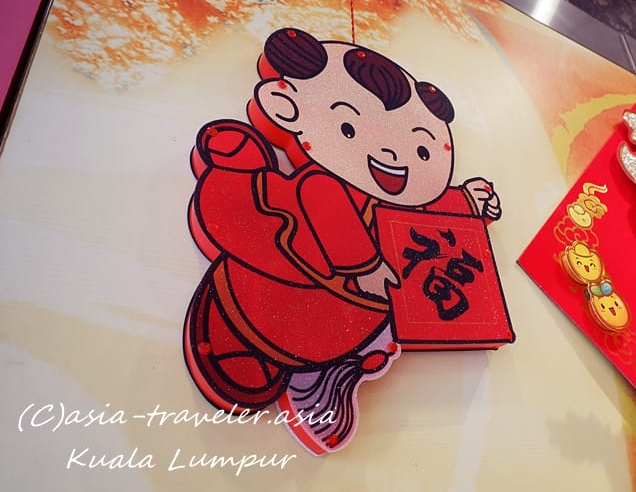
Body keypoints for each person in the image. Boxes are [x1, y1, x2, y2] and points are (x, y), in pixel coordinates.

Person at [184, 28, 501, 454]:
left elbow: (423, 214)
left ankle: (320, 377)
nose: (392, 157)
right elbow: (321, 195)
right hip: (272, 293)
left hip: (335, 328)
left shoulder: (387, 207)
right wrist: (363, 265)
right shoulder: (320, 183)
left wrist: (464, 201)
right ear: (284, 106)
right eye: (349, 127)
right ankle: (244, 168)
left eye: (421, 152)